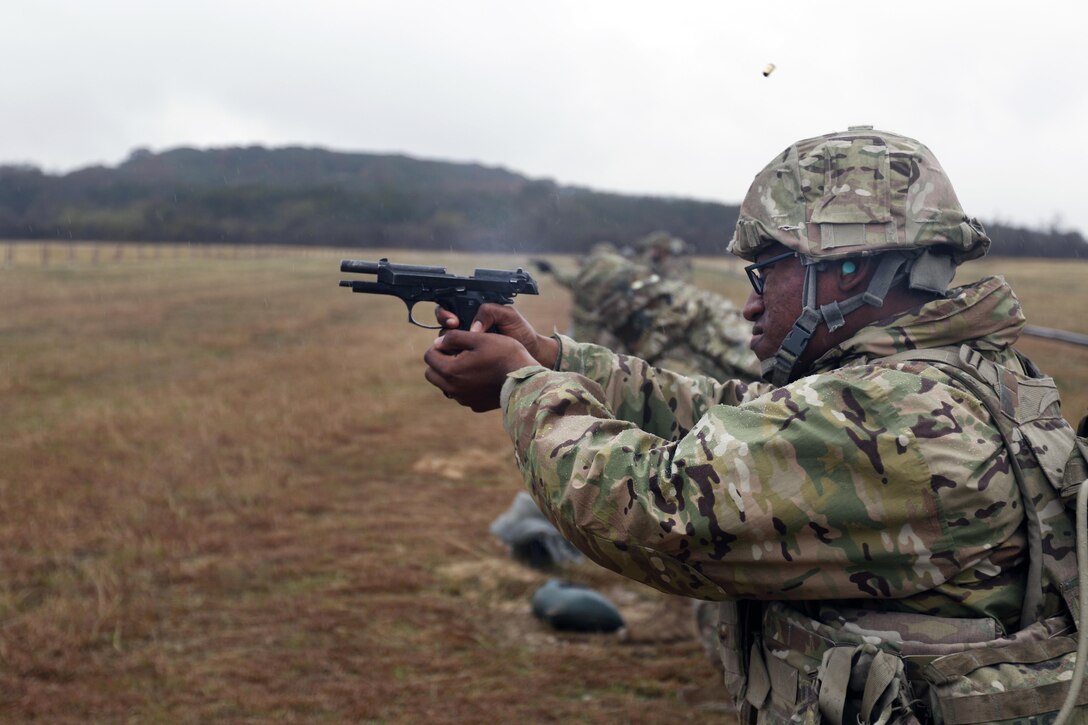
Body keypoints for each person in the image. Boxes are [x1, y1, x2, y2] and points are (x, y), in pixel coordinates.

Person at [423, 127, 1088, 722]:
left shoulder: (892, 418)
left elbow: (653, 512)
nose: (747, 304)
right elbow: (729, 413)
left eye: (767, 272)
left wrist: (522, 387)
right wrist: (554, 358)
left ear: (850, 267)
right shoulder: (944, 377)